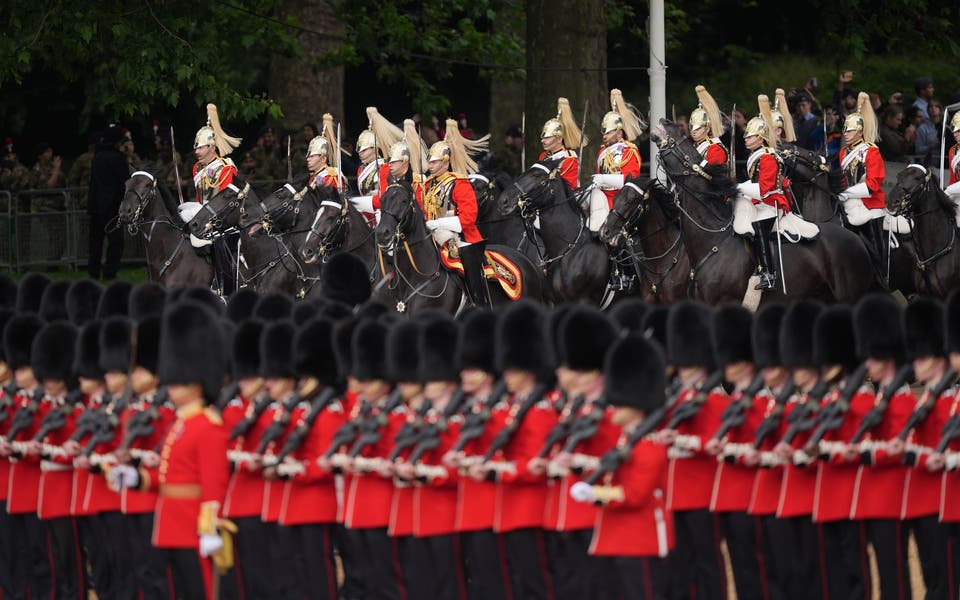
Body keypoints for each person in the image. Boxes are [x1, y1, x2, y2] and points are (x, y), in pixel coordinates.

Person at [109, 299, 231, 600]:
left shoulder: (208, 426)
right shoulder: (180, 424)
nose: (172, 386)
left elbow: (214, 486)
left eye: (179, 381)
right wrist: (137, 479)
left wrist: (211, 529)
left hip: (194, 527)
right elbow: (168, 477)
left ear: (197, 381)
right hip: (171, 526)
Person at [570, 332, 675, 599]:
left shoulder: (650, 446)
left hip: (641, 539)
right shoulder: (624, 441)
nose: (612, 406)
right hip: (613, 537)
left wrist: (594, 493)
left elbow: (634, 494)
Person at [838, 92, 908, 281]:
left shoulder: (871, 151)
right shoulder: (844, 152)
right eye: (845, 129)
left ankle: (880, 276)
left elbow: (872, 185)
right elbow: (844, 180)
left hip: (871, 206)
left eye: (850, 130)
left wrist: (847, 193)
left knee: (875, 248)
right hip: (849, 204)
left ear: (860, 131)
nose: (846, 133)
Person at [422, 119, 491, 306]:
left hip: (460, 237)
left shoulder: (459, 183)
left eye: (435, 161)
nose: (430, 164)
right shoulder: (428, 184)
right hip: (432, 234)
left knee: (469, 263)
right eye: (430, 160)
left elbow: (468, 219)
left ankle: (478, 302)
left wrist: (438, 224)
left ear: (446, 164)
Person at [190, 103, 241, 295]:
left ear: (212, 148)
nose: (196, 152)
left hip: (223, 219)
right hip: (203, 216)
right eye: (196, 148)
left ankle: (225, 288)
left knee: (222, 243)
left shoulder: (226, 167)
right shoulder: (197, 168)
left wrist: (211, 220)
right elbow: (198, 198)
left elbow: (225, 199)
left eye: (200, 148)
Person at [589, 89, 643, 232]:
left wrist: (602, 178)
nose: (605, 136)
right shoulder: (603, 150)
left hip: (620, 201)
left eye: (609, 132)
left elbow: (630, 179)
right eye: (604, 132)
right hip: (601, 195)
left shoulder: (629, 150)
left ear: (619, 133)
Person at [87, 125, 130, 280]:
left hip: (95, 206)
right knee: (116, 241)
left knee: (95, 242)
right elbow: (125, 181)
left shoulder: (97, 156)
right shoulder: (117, 158)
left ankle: (93, 271)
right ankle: (110, 272)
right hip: (111, 207)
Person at [537, 97, 583, 191]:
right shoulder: (543, 156)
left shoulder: (569, 159)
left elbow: (566, 189)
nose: (543, 141)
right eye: (543, 137)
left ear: (559, 139)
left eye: (548, 138)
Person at [689, 84, 728, 166]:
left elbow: (711, 173)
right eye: (692, 127)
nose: (693, 131)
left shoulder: (715, 149)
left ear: (707, 128)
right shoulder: (694, 146)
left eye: (698, 128)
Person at [305, 114, 346, 191]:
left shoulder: (330, 176)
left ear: (323, 159)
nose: (308, 159)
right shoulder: (312, 176)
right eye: (308, 156)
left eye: (312, 156)